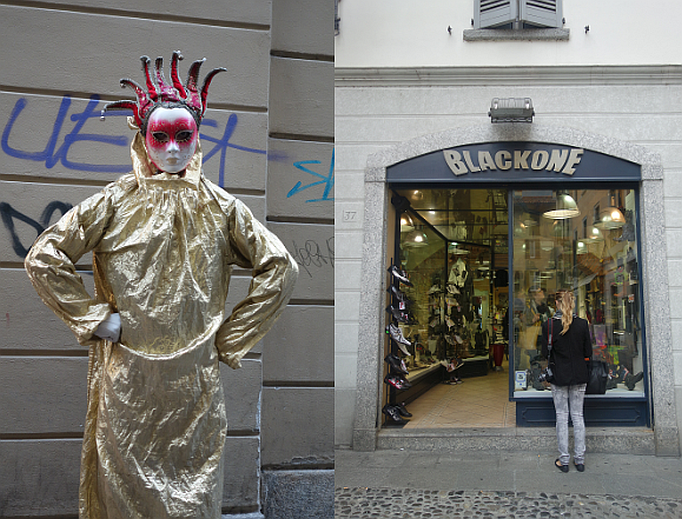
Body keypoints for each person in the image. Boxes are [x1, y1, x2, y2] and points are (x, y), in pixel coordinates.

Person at [24, 52, 298, 518]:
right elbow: (45, 257)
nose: (172, 149)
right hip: (129, 383)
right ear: (143, 139)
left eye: (183, 136)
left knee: (193, 484)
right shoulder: (113, 203)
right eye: (161, 136)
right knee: (123, 480)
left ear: (197, 138)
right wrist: (94, 317)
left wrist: (230, 339)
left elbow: (281, 267)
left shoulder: (222, 208)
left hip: (194, 384)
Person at [540, 290, 592, 473]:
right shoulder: (582, 324)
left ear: (556, 303)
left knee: (562, 417)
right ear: (573, 303)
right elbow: (588, 353)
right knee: (578, 417)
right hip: (579, 374)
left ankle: (564, 460)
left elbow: (544, 353)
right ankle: (580, 460)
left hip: (559, 375)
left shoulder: (549, 325)